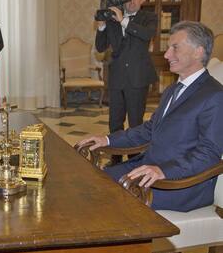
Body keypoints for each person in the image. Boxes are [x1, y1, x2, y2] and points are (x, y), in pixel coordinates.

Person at [77, 21, 223, 212]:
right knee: (90, 182)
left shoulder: (214, 95)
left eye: (175, 48)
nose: (167, 54)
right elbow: (149, 130)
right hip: (149, 169)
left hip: (180, 185)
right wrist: (106, 139)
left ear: (198, 52)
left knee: (107, 201)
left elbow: (209, 154)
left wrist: (164, 171)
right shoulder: (172, 89)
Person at [95, 0, 158, 164]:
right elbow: (100, 47)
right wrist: (101, 27)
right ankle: (115, 157)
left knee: (136, 122)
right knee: (115, 121)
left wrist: (123, 20)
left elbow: (146, 35)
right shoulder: (113, 20)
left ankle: (134, 159)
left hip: (138, 78)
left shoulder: (149, 17)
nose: (131, 2)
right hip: (117, 78)